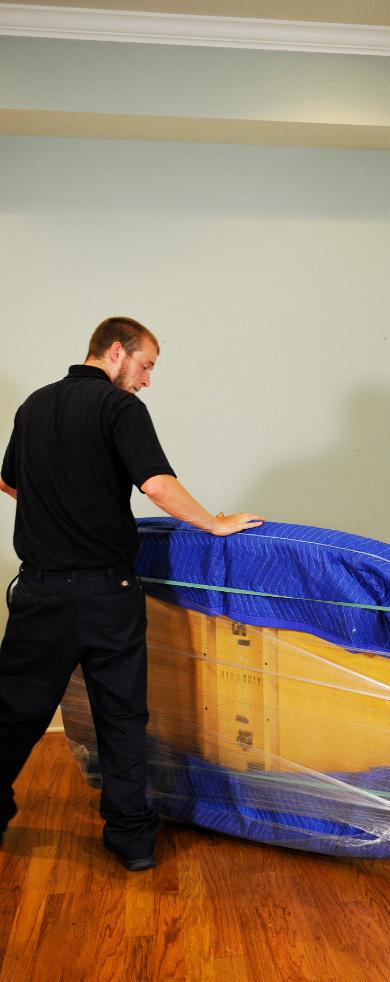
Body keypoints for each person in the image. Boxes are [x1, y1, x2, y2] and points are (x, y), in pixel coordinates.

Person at [0, 317, 263, 871]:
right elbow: (157, 485)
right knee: (120, 717)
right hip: (106, 593)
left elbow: (9, 480)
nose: (147, 380)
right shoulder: (120, 407)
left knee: (13, 713)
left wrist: (58, 505)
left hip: (40, 592)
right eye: (146, 366)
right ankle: (131, 840)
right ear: (116, 351)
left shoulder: (34, 406)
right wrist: (215, 524)